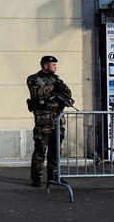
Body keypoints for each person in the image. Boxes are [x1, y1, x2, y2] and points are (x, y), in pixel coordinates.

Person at [26, 55, 72, 188]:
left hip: (57, 120)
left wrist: (62, 87)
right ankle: (36, 178)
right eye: (53, 65)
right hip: (43, 120)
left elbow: (68, 96)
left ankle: (54, 176)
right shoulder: (33, 79)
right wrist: (52, 86)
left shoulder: (57, 79)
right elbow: (37, 94)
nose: (55, 67)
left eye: (56, 65)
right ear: (45, 66)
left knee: (56, 151)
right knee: (40, 150)